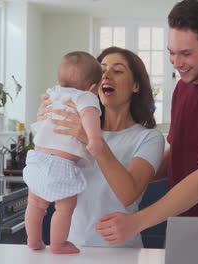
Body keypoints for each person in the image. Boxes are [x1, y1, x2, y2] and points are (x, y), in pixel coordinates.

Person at [95, 0, 198, 245]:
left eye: (186, 53)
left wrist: (138, 221)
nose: (175, 62)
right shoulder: (183, 87)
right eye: (171, 52)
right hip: (185, 228)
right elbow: (178, 156)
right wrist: (133, 177)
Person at [37, 47, 165, 248]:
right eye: (102, 69)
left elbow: (128, 194)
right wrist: (46, 121)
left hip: (121, 253)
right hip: (71, 248)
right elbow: (48, 174)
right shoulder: (74, 123)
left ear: (136, 85)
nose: (106, 75)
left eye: (118, 70)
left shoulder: (149, 138)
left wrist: (92, 138)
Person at [23, 51, 103, 254]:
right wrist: (94, 139)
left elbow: (44, 120)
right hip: (61, 163)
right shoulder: (85, 97)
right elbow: (88, 115)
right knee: (64, 207)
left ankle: (33, 241)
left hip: (36, 159)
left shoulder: (52, 93)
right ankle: (58, 244)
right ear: (93, 88)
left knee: (35, 204)